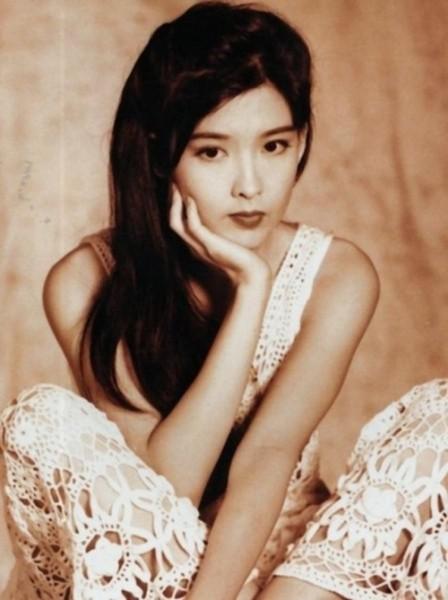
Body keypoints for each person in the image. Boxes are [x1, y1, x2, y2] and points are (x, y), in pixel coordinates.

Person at [0, 2, 447, 599]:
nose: (250, 186)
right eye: (212, 152)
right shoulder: (84, 282)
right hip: (153, 571)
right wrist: (248, 297)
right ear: (161, 156)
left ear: (301, 143)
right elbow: (167, 486)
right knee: (41, 419)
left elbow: (267, 456)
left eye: (274, 146)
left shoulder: (337, 276)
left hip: (288, 577)